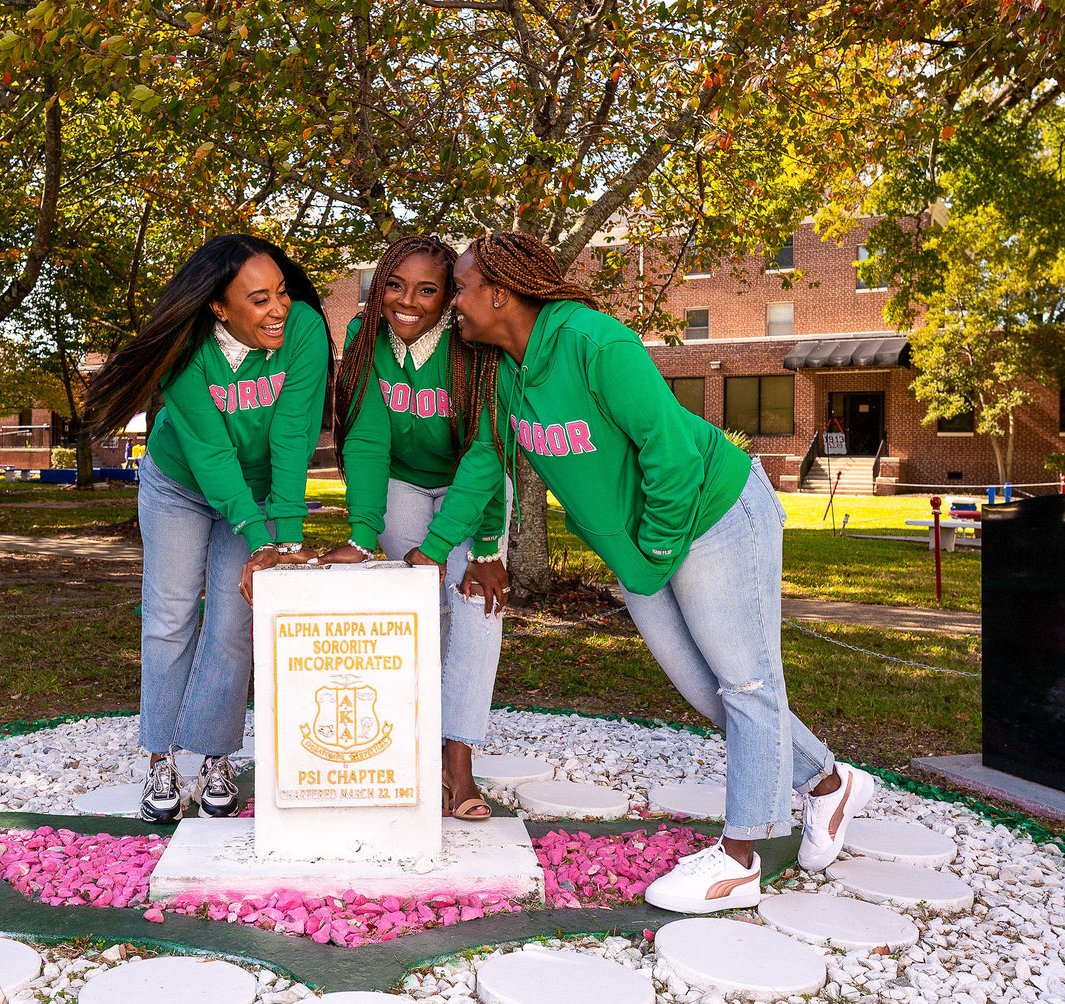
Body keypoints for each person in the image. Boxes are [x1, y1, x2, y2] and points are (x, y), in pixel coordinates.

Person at [418, 231, 873, 912]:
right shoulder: (508, 374)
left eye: (459, 286)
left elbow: (669, 452)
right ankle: (829, 783)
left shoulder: (597, 344)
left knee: (747, 683)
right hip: (644, 547)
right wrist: (432, 551)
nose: (453, 301)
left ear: (501, 291)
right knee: (705, 689)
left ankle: (741, 858)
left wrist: (658, 553)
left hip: (712, 516)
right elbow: (486, 459)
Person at [88, 234, 331, 824]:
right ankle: (160, 759)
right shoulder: (184, 349)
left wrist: (282, 540)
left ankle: (217, 756)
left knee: (234, 621)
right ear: (219, 308)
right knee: (171, 616)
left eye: (281, 293)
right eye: (260, 299)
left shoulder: (303, 332)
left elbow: (293, 437)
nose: (279, 308)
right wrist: (256, 532)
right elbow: (210, 452)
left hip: (261, 488)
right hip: (180, 484)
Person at [319, 234, 509, 821]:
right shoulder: (364, 336)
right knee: (420, 610)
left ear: (449, 295)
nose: (408, 301)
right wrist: (361, 531)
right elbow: (368, 438)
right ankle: (409, 742)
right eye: (395, 285)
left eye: (428, 289)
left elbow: (486, 454)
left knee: (476, 609)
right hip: (399, 481)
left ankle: (458, 761)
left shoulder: (473, 342)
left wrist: (468, 545)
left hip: (469, 484)